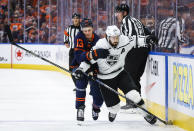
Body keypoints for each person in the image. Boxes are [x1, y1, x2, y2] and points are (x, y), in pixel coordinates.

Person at [74, 25, 157, 124]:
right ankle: (113, 111)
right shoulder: (100, 45)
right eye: (113, 37)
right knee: (114, 108)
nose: (116, 40)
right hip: (105, 78)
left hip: (120, 73)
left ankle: (146, 114)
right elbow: (88, 60)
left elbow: (135, 40)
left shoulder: (123, 40)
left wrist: (147, 39)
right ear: (107, 37)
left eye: (117, 37)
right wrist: (80, 69)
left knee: (134, 95)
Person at [114, 4, 157, 109]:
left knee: (129, 77)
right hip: (143, 50)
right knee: (135, 77)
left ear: (124, 13)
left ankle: (132, 102)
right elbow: (146, 32)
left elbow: (130, 39)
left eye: (118, 12)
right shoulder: (135, 20)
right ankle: (137, 101)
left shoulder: (126, 21)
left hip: (135, 51)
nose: (116, 15)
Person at [71, 18, 103, 122]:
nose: (87, 33)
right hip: (78, 66)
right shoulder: (79, 37)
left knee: (97, 92)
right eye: (85, 31)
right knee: (80, 83)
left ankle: (96, 106)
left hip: (94, 67)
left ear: (92, 29)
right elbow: (79, 57)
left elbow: (99, 59)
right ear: (82, 30)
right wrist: (90, 56)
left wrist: (93, 70)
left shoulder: (98, 39)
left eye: (89, 30)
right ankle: (80, 108)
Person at [64, 13, 81, 85]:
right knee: (71, 70)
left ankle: (81, 86)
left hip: (81, 51)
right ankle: (77, 86)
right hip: (72, 51)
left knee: (81, 70)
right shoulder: (69, 28)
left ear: (79, 19)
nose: (76, 19)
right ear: (72, 19)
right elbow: (65, 34)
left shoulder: (83, 28)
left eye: (77, 18)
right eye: (74, 18)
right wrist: (66, 41)